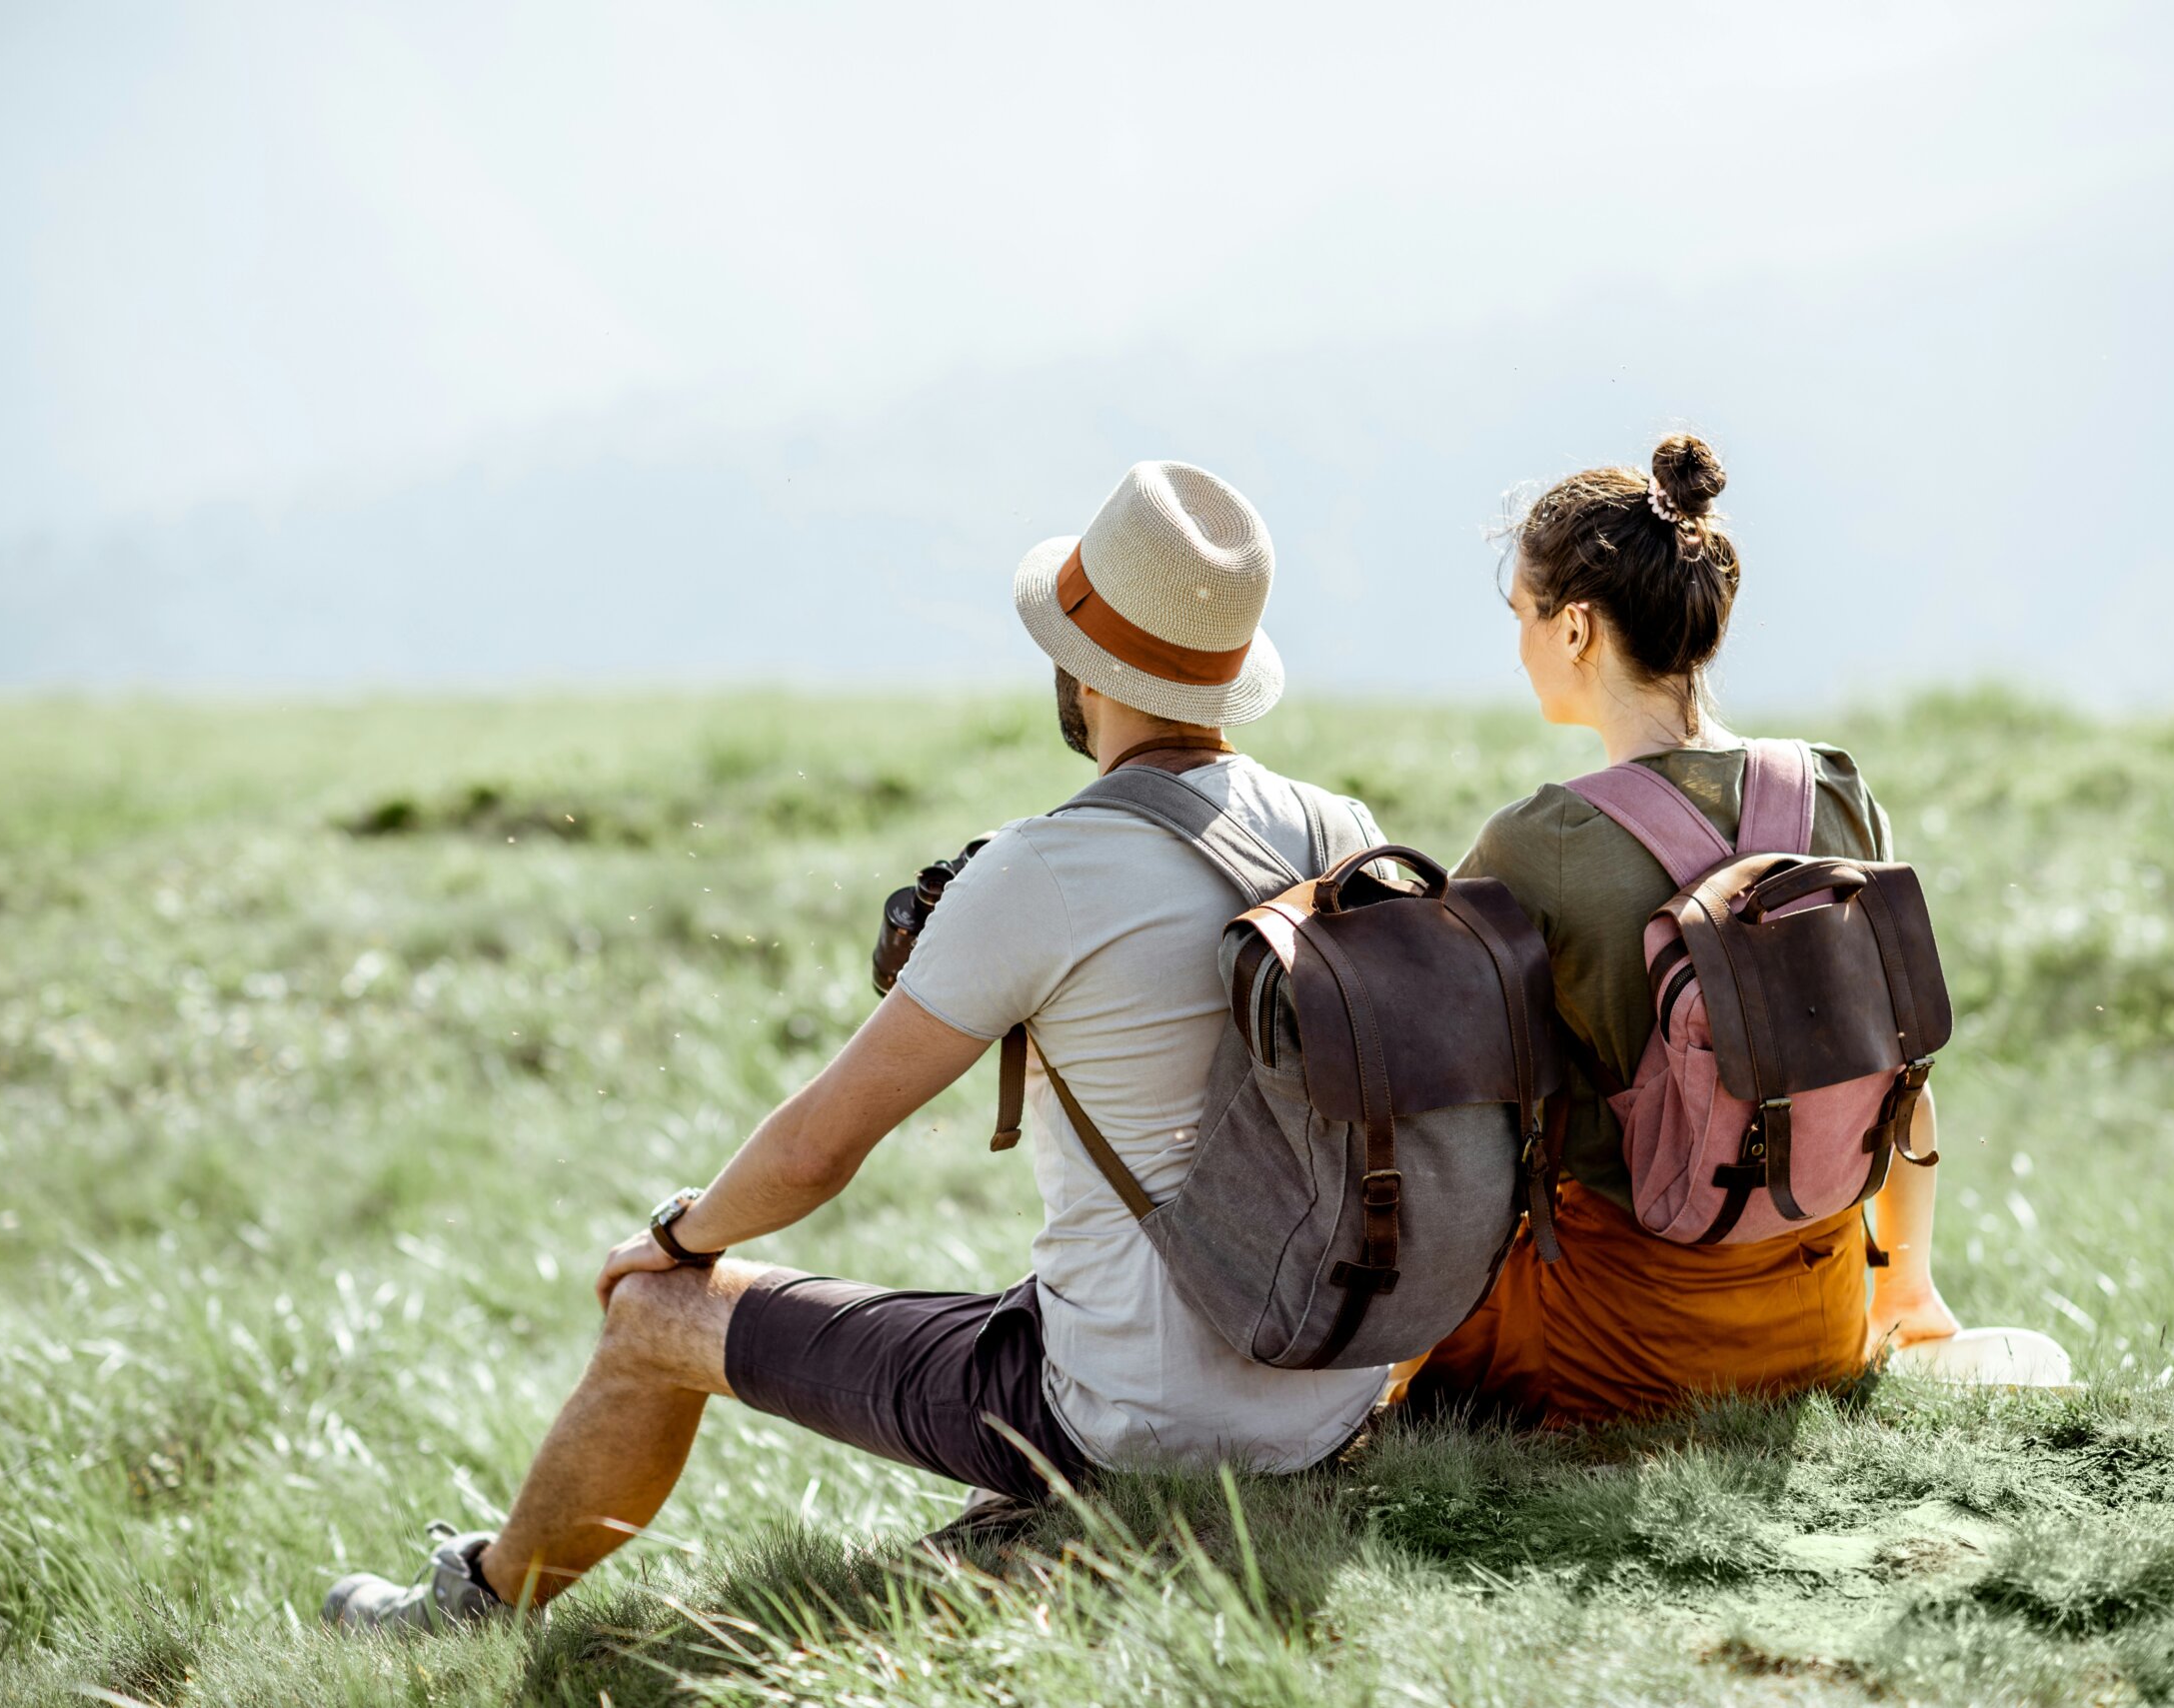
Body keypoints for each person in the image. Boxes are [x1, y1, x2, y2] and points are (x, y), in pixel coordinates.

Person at [321, 461, 1392, 1631]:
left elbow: (814, 1152)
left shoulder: (1045, 865)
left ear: (1079, 669)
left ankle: (471, 1605)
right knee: (1038, 1308)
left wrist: (675, 1238)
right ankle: (1027, 1531)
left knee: (653, 1318)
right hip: (1321, 1389)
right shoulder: (1343, 831)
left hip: (1127, 1415)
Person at [1401, 434, 1959, 1428]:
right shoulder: (1834, 790)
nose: (1519, 643)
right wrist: (1904, 1295)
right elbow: (1903, 1072)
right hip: (1822, 1315)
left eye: (1523, 615)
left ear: (1575, 628)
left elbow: (1449, 1121)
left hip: (1619, 1343)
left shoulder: (1540, 842)